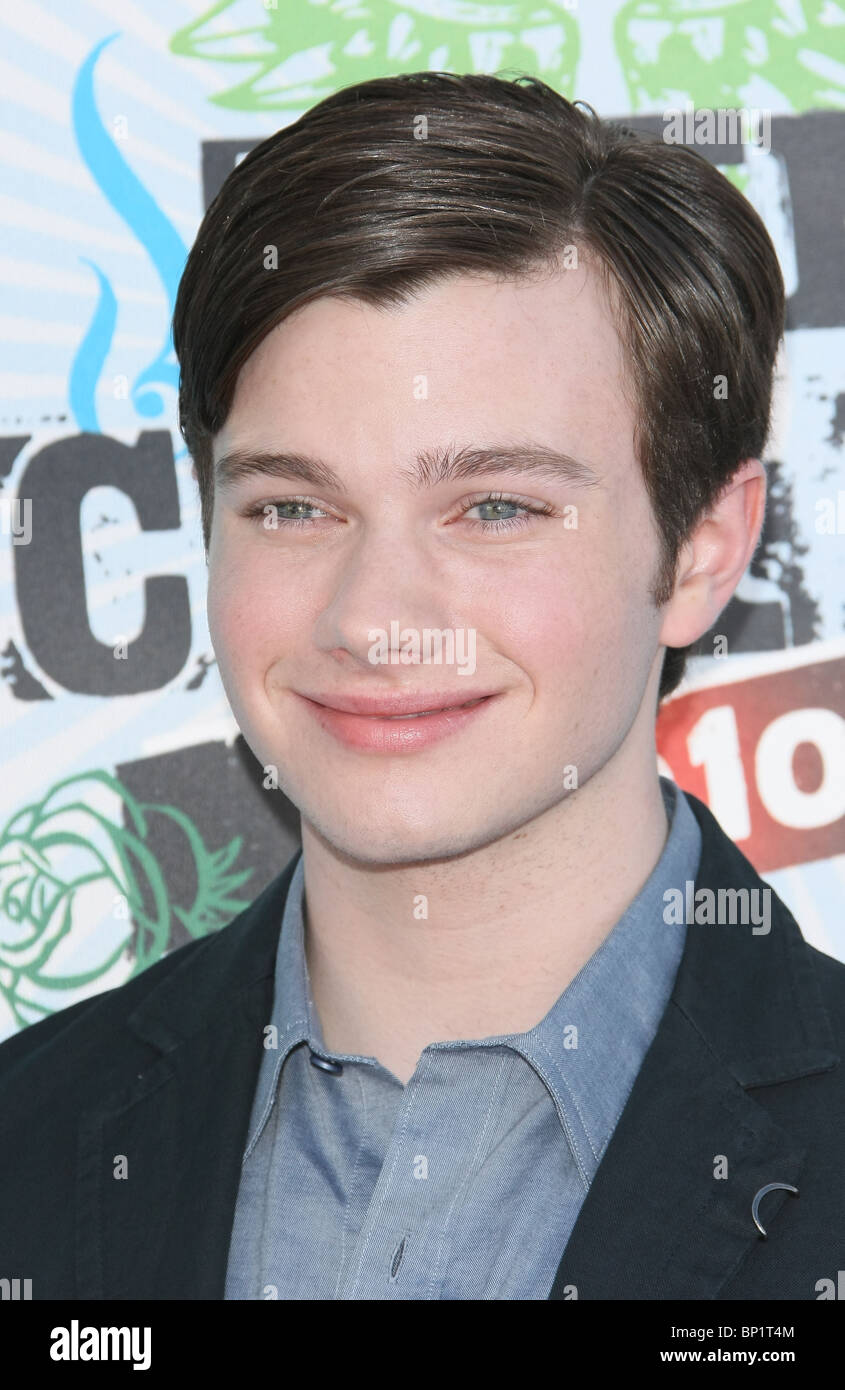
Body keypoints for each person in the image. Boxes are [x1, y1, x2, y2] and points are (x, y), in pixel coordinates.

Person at [1, 72, 842, 1301]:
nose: (374, 620)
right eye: (293, 505)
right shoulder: (27, 1137)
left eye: (493, 507)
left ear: (701, 548)